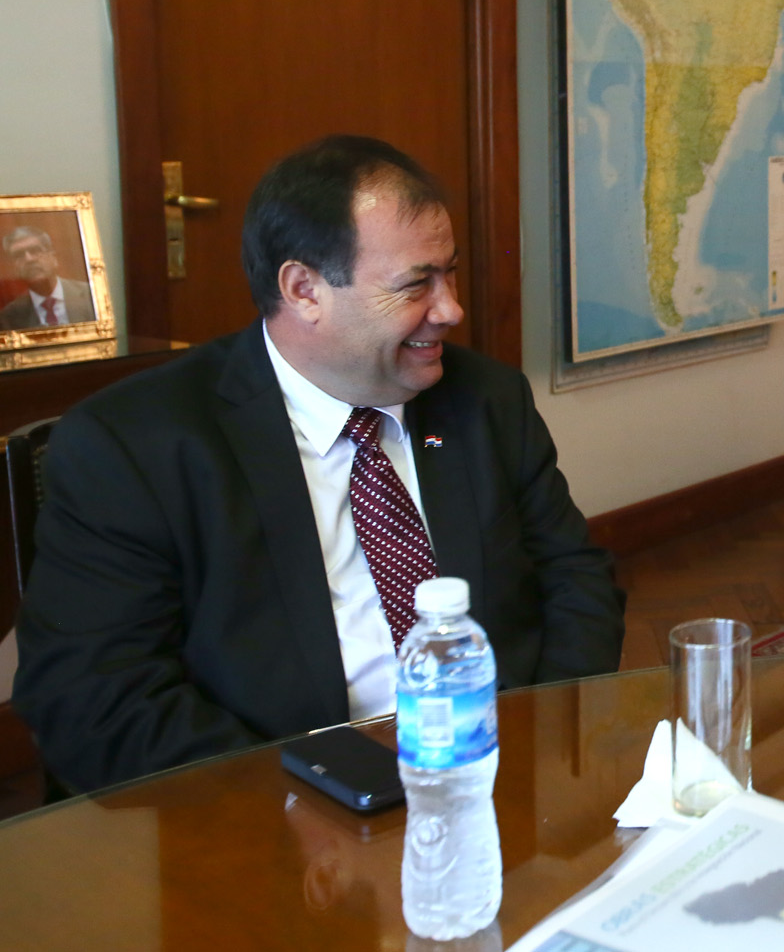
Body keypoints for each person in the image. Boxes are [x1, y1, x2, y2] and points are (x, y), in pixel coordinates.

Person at [15, 135, 625, 791]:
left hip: (496, 768)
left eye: (449, 273)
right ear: (304, 289)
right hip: (274, 803)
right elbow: (94, 699)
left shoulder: (485, 398)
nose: (451, 308)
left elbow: (576, 579)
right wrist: (310, 798)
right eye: (416, 283)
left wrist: (534, 739)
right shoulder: (132, 445)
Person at [0, 226, 97, 329]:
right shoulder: (9, 317)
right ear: (14, 267)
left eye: (35, 251)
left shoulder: (91, 295)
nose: (29, 259)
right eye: (19, 255)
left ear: (53, 256)